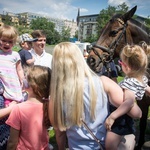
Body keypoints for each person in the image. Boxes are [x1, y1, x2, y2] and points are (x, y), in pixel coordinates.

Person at [49, 42, 141, 150]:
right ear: (80, 59)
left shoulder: (56, 96)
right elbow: (136, 113)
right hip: (102, 145)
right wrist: (128, 90)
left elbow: (59, 133)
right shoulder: (103, 82)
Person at [105, 44, 150, 150]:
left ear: (127, 67)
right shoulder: (141, 78)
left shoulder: (129, 82)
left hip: (120, 119)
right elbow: (148, 89)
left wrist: (113, 116)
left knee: (109, 145)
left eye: (120, 62)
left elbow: (129, 102)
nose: (119, 65)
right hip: (127, 120)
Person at [6, 65, 51, 150]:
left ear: (33, 86)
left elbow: (12, 142)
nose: (23, 80)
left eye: (26, 79)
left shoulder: (18, 109)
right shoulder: (49, 106)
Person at [0, 24, 24, 106]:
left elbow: (19, 69)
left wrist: (22, 79)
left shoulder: (15, 54)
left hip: (13, 82)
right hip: (4, 84)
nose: (7, 44)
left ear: (14, 43)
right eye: (3, 41)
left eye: (10, 42)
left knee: (17, 98)